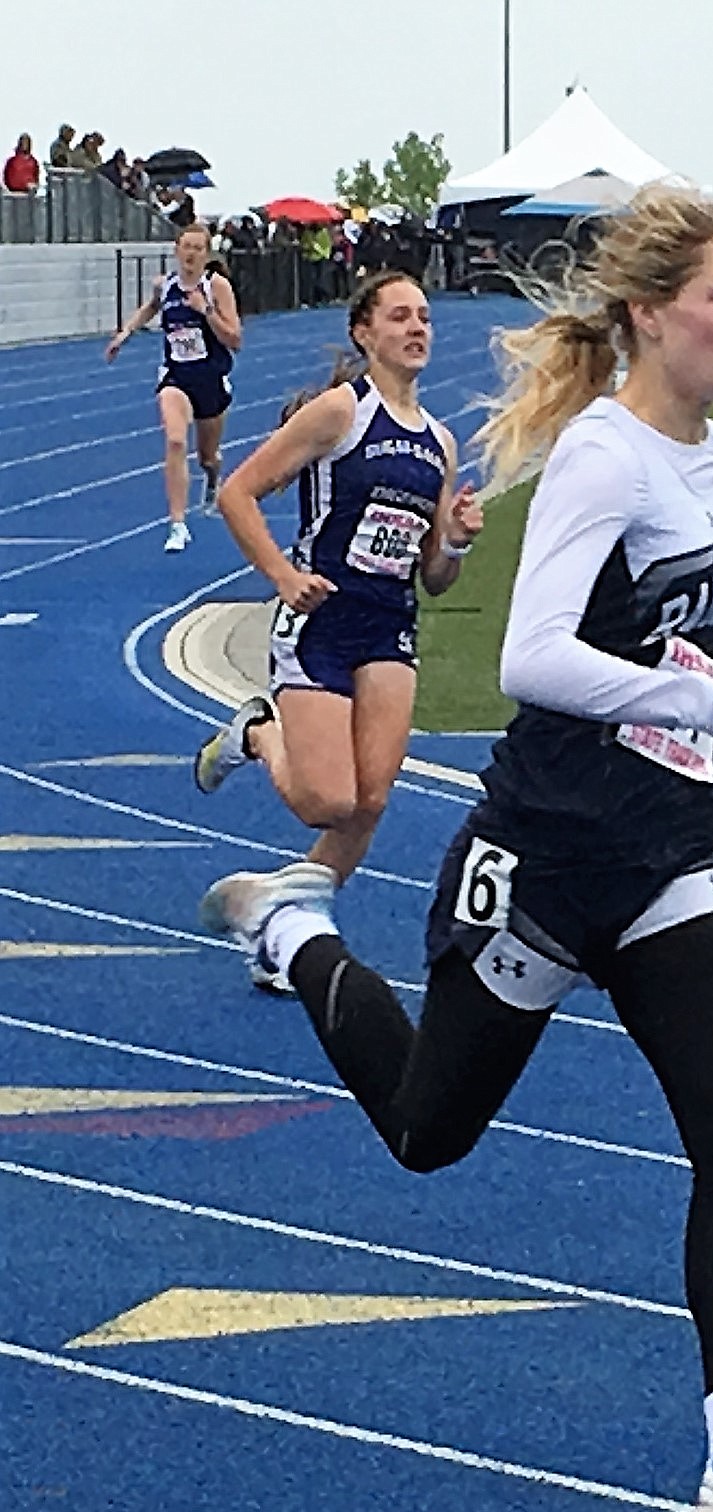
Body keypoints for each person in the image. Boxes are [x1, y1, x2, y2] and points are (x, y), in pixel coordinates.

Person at [199, 184, 713, 1512]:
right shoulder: (604, 457)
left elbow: (675, 637)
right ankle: (294, 935)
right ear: (648, 315)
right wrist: (710, 704)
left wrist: (710, 712)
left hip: (668, 849)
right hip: (546, 850)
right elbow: (529, 659)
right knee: (427, 1132)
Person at [193, 269, 484, 992]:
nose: (416, 329)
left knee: (372, 801)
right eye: (398, 317)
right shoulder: (339, 412)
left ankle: (285, 931)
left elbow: (434, 578)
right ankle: (257, 734)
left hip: (389, 625)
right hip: (321, 618)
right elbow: (237, 492)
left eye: (423, 317)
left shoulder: (440, 442)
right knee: (328, 801)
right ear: (365, 332)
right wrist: (285, 579)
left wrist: (453, 540)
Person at [105, 221, 241, 552]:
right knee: (176, 439)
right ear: (176, 249)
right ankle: (177, 525)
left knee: (207, 455)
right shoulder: (165, 284)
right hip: (175, 377)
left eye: (198, 248)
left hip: (210, 378)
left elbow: (235, 339)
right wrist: (126, 331)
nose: (191, 254)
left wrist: (205, 311)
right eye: (186, 246)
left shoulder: (216, 287)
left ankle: (212, 476)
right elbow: (151, 306)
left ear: (207, 254)